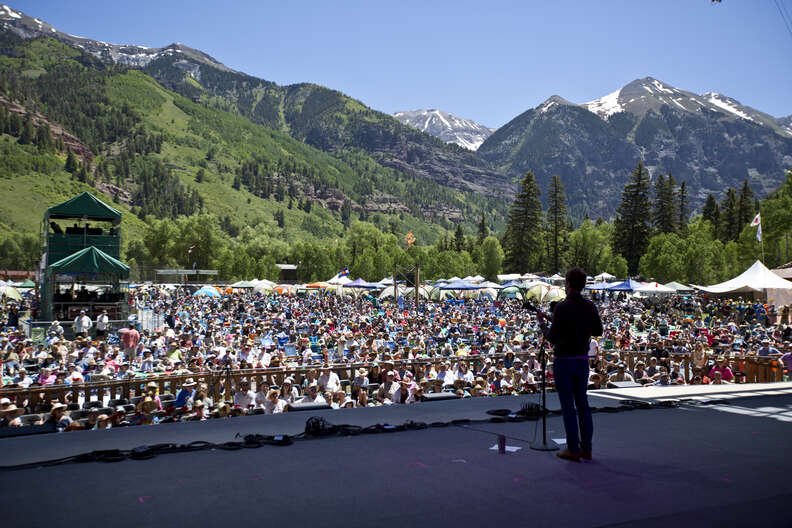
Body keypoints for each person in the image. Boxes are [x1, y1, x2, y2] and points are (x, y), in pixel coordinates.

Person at [537, 267, 602, 462]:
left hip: (564, 361)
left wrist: (542, 324)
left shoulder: (562, 307)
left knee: (568, 406)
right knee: (583, 404)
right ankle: (587, 449)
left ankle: (573, 449)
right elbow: (597, 330)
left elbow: (553, 338)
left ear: (568, 283)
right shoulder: (590, 306)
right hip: (582, 361)